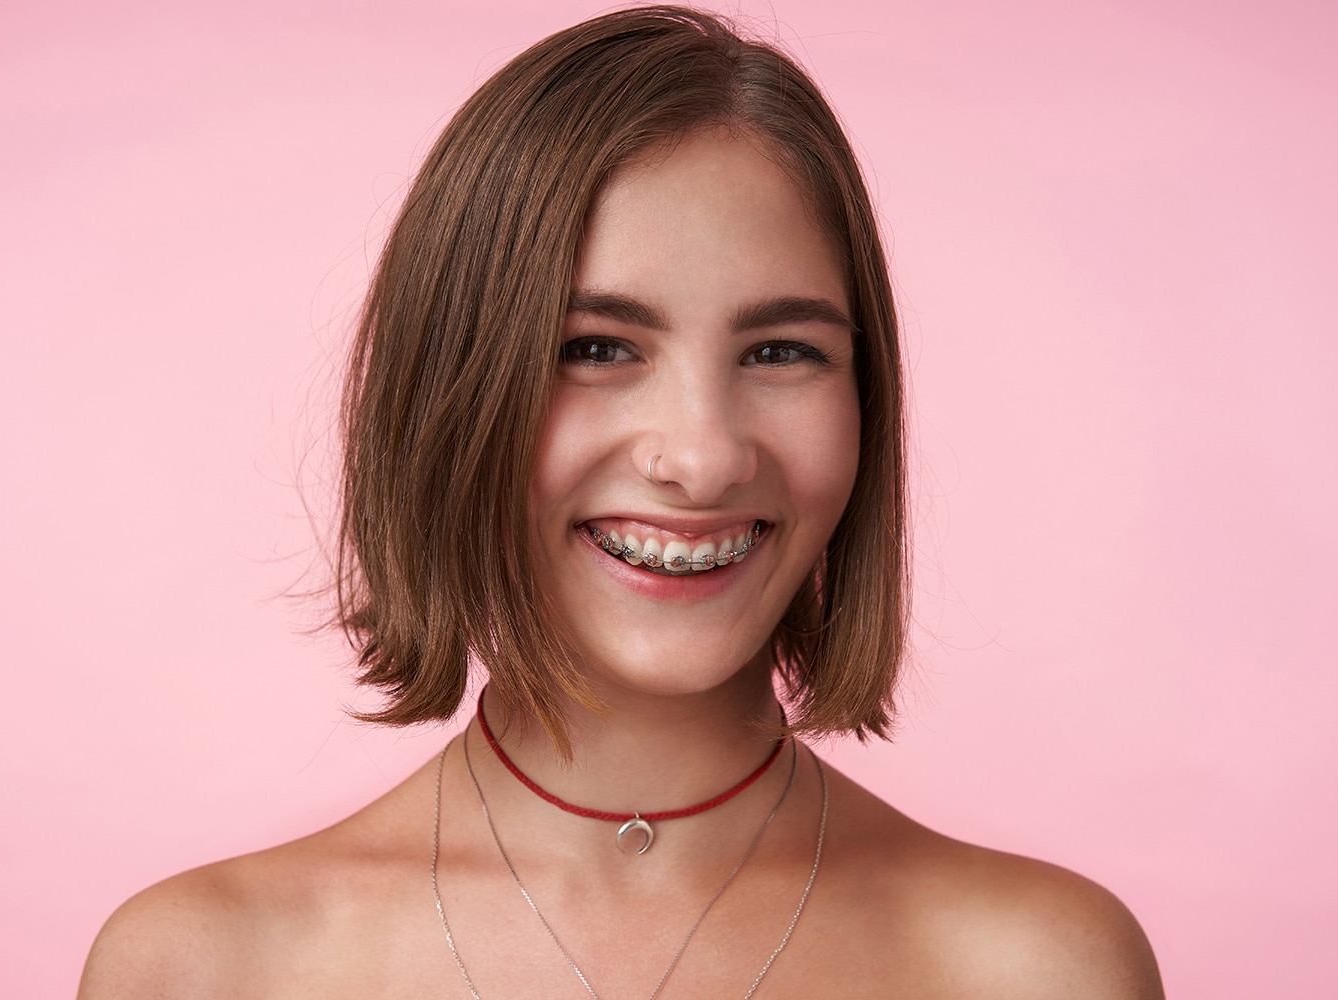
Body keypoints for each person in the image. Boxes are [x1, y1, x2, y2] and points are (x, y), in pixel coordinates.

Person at [79, 6, 1163, 997]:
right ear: (445, 391)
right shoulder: (202, 969)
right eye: (594, 347)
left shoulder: (1041, 968)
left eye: (782, 350)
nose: (701, 457)